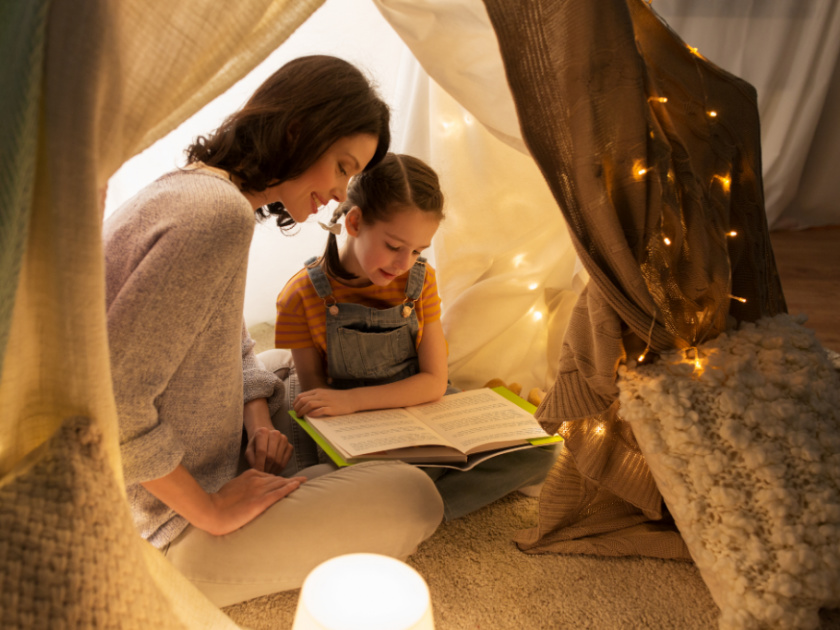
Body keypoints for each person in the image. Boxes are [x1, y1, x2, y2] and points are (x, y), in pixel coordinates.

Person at [104, 55, 443, 608]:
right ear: (296, 131)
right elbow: (115, 404)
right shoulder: (216, 218)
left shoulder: (197, 192)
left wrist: (256, 419)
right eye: (341, 166)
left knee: (282, 374)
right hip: (165, 525)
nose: (339, 192)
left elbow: (230, 343)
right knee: (415, 496)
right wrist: (212, 511)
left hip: (200, 458)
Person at [274, 153, 555, 521]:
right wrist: (351, 407)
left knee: (540, 452)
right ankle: (408, 497)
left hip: (418, 403)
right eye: (394, 246)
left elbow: (435, 382)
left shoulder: (420, 280)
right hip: (352, 422)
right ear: (355, 221)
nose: (404, 263)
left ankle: (413, 509)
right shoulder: (299, 295)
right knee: (344, 474)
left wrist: (360, 401)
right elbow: (317, 398)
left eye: (418, 250)